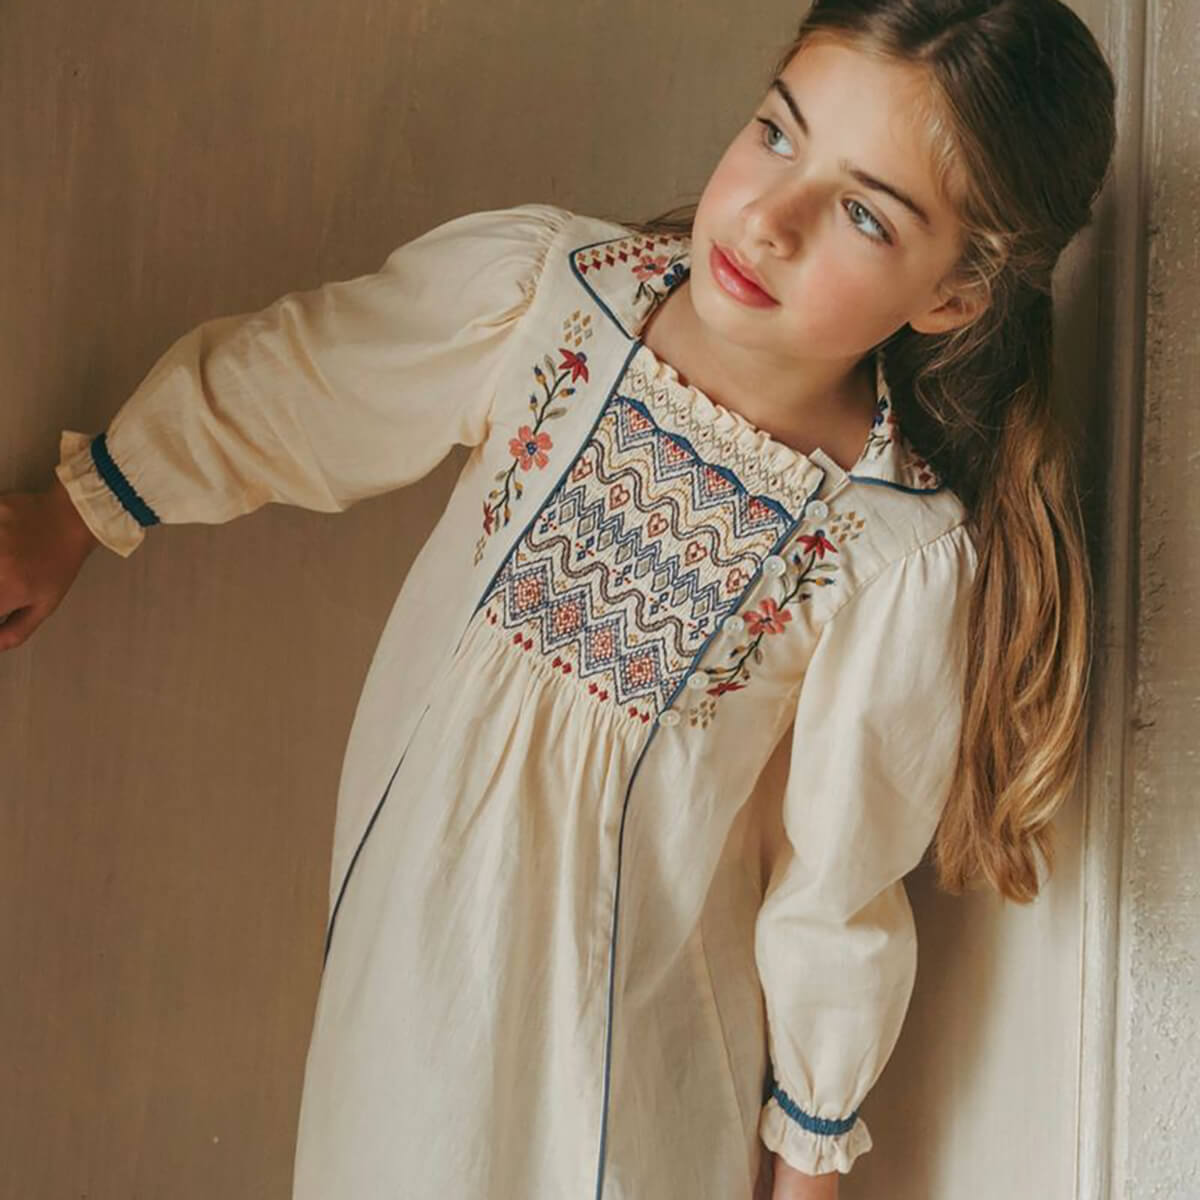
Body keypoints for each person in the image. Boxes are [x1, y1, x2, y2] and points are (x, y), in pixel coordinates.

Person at [0, 1, 1117, 1196]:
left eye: (863, 214)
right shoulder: (550, 300)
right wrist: (84, 507)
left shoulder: (887, 550)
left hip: (632, 1094)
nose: (770, 219)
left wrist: (807, 1161)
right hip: (403, 994)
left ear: (954, 294)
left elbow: (836, 891)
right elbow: (307, 383)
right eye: (778, 134)